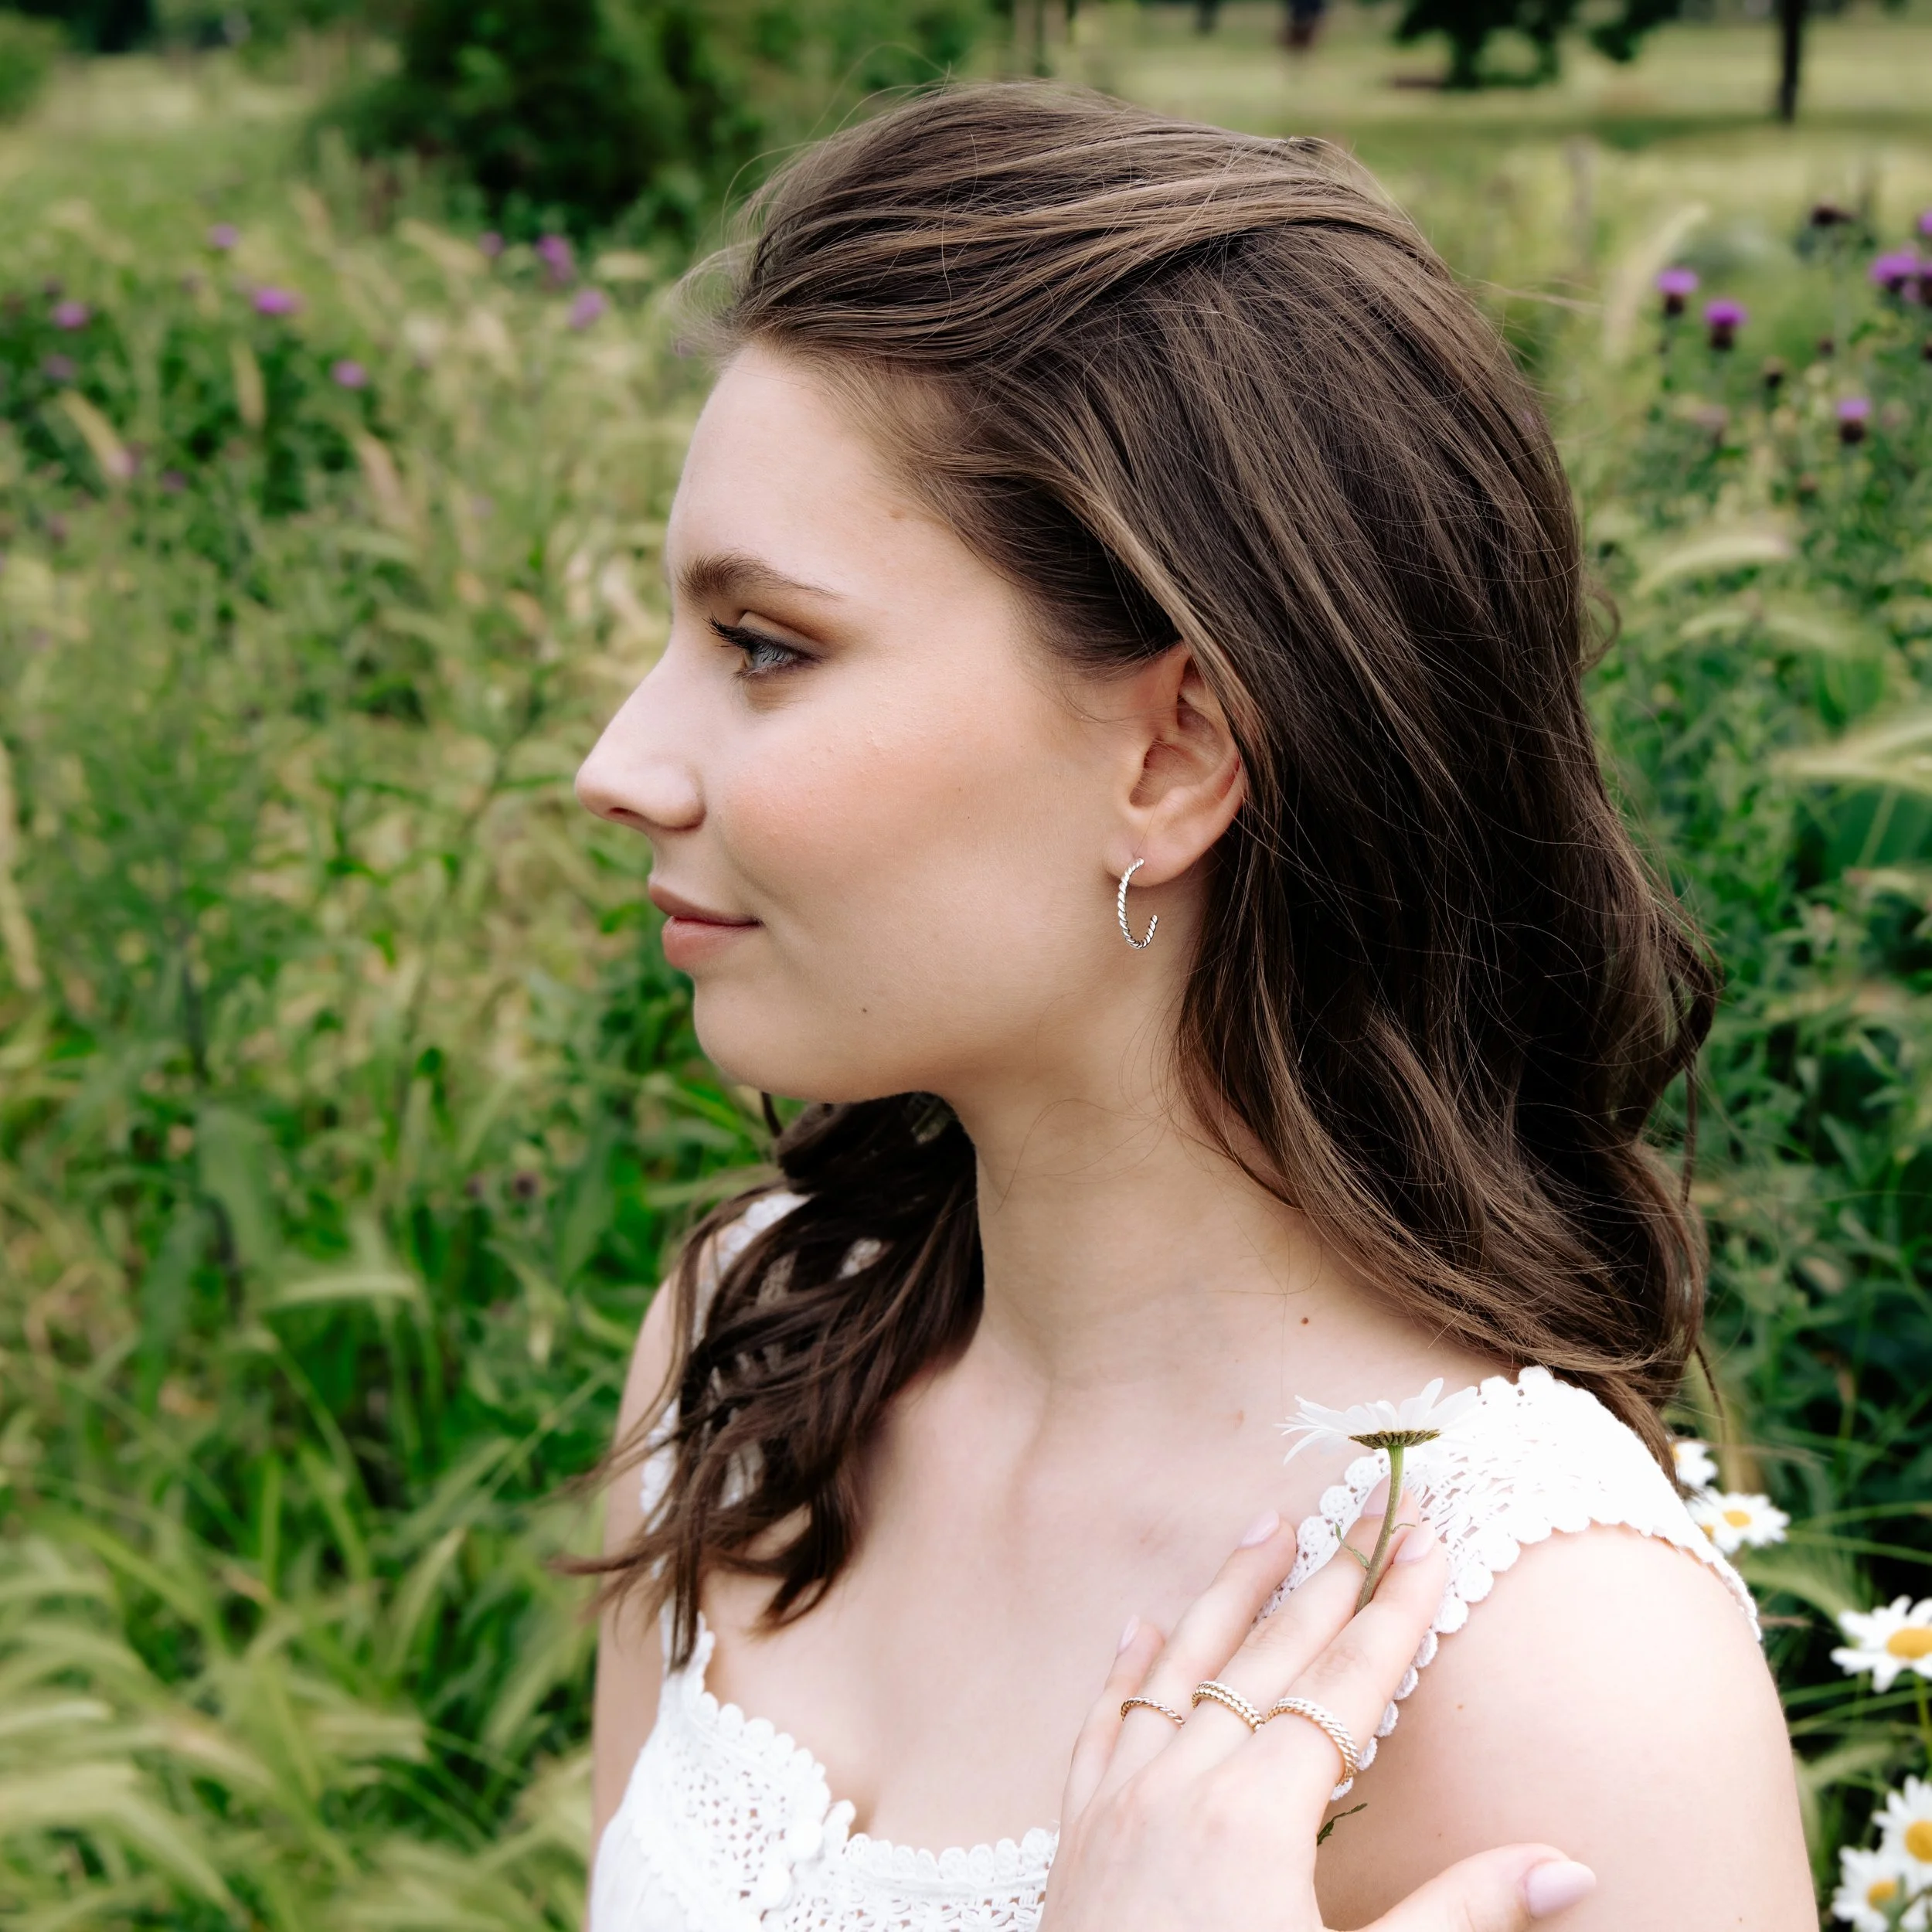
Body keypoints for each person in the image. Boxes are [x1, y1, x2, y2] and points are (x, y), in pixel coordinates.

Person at [573, 83, 1815, 1930]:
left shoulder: (1548, 1658)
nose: (619, 763)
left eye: (766, 645)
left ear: (1172, 748)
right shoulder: (751, 1352)